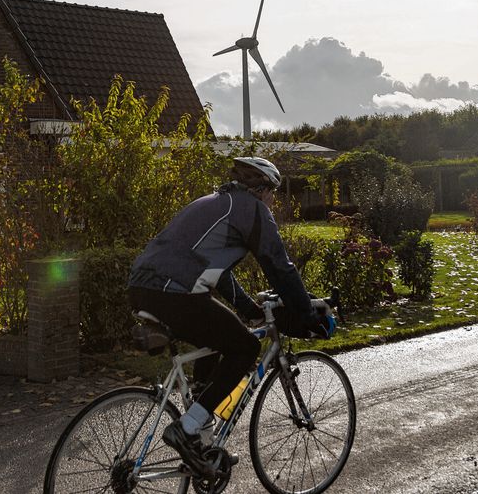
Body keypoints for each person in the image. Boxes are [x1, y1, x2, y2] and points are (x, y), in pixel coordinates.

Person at [128, 156, 333, 473]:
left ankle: (200, 435)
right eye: (272, 193)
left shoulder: (215, 202)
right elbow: (279, 265)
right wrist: (307, 314)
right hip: (174, 291)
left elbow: (219, 275)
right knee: (246, 347)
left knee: (219, 333)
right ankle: (186, 428)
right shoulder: (251, 209)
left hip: (144, 287)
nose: (272, 201)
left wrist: (248, 309)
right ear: (262, 189)